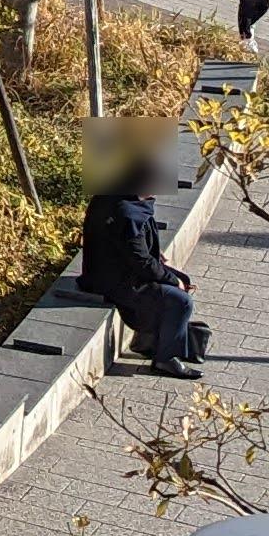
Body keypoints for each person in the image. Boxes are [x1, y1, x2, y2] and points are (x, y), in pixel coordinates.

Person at [77, 122, 207, 378]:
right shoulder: (126, 211)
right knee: (180, 300)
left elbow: (135, 247)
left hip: (118, 269)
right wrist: (172, 279)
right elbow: (139, 260)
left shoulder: (122, 197)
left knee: (177, 284)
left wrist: (159, 259)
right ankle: (165, 358)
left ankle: (148, 340)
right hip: (114, 280)